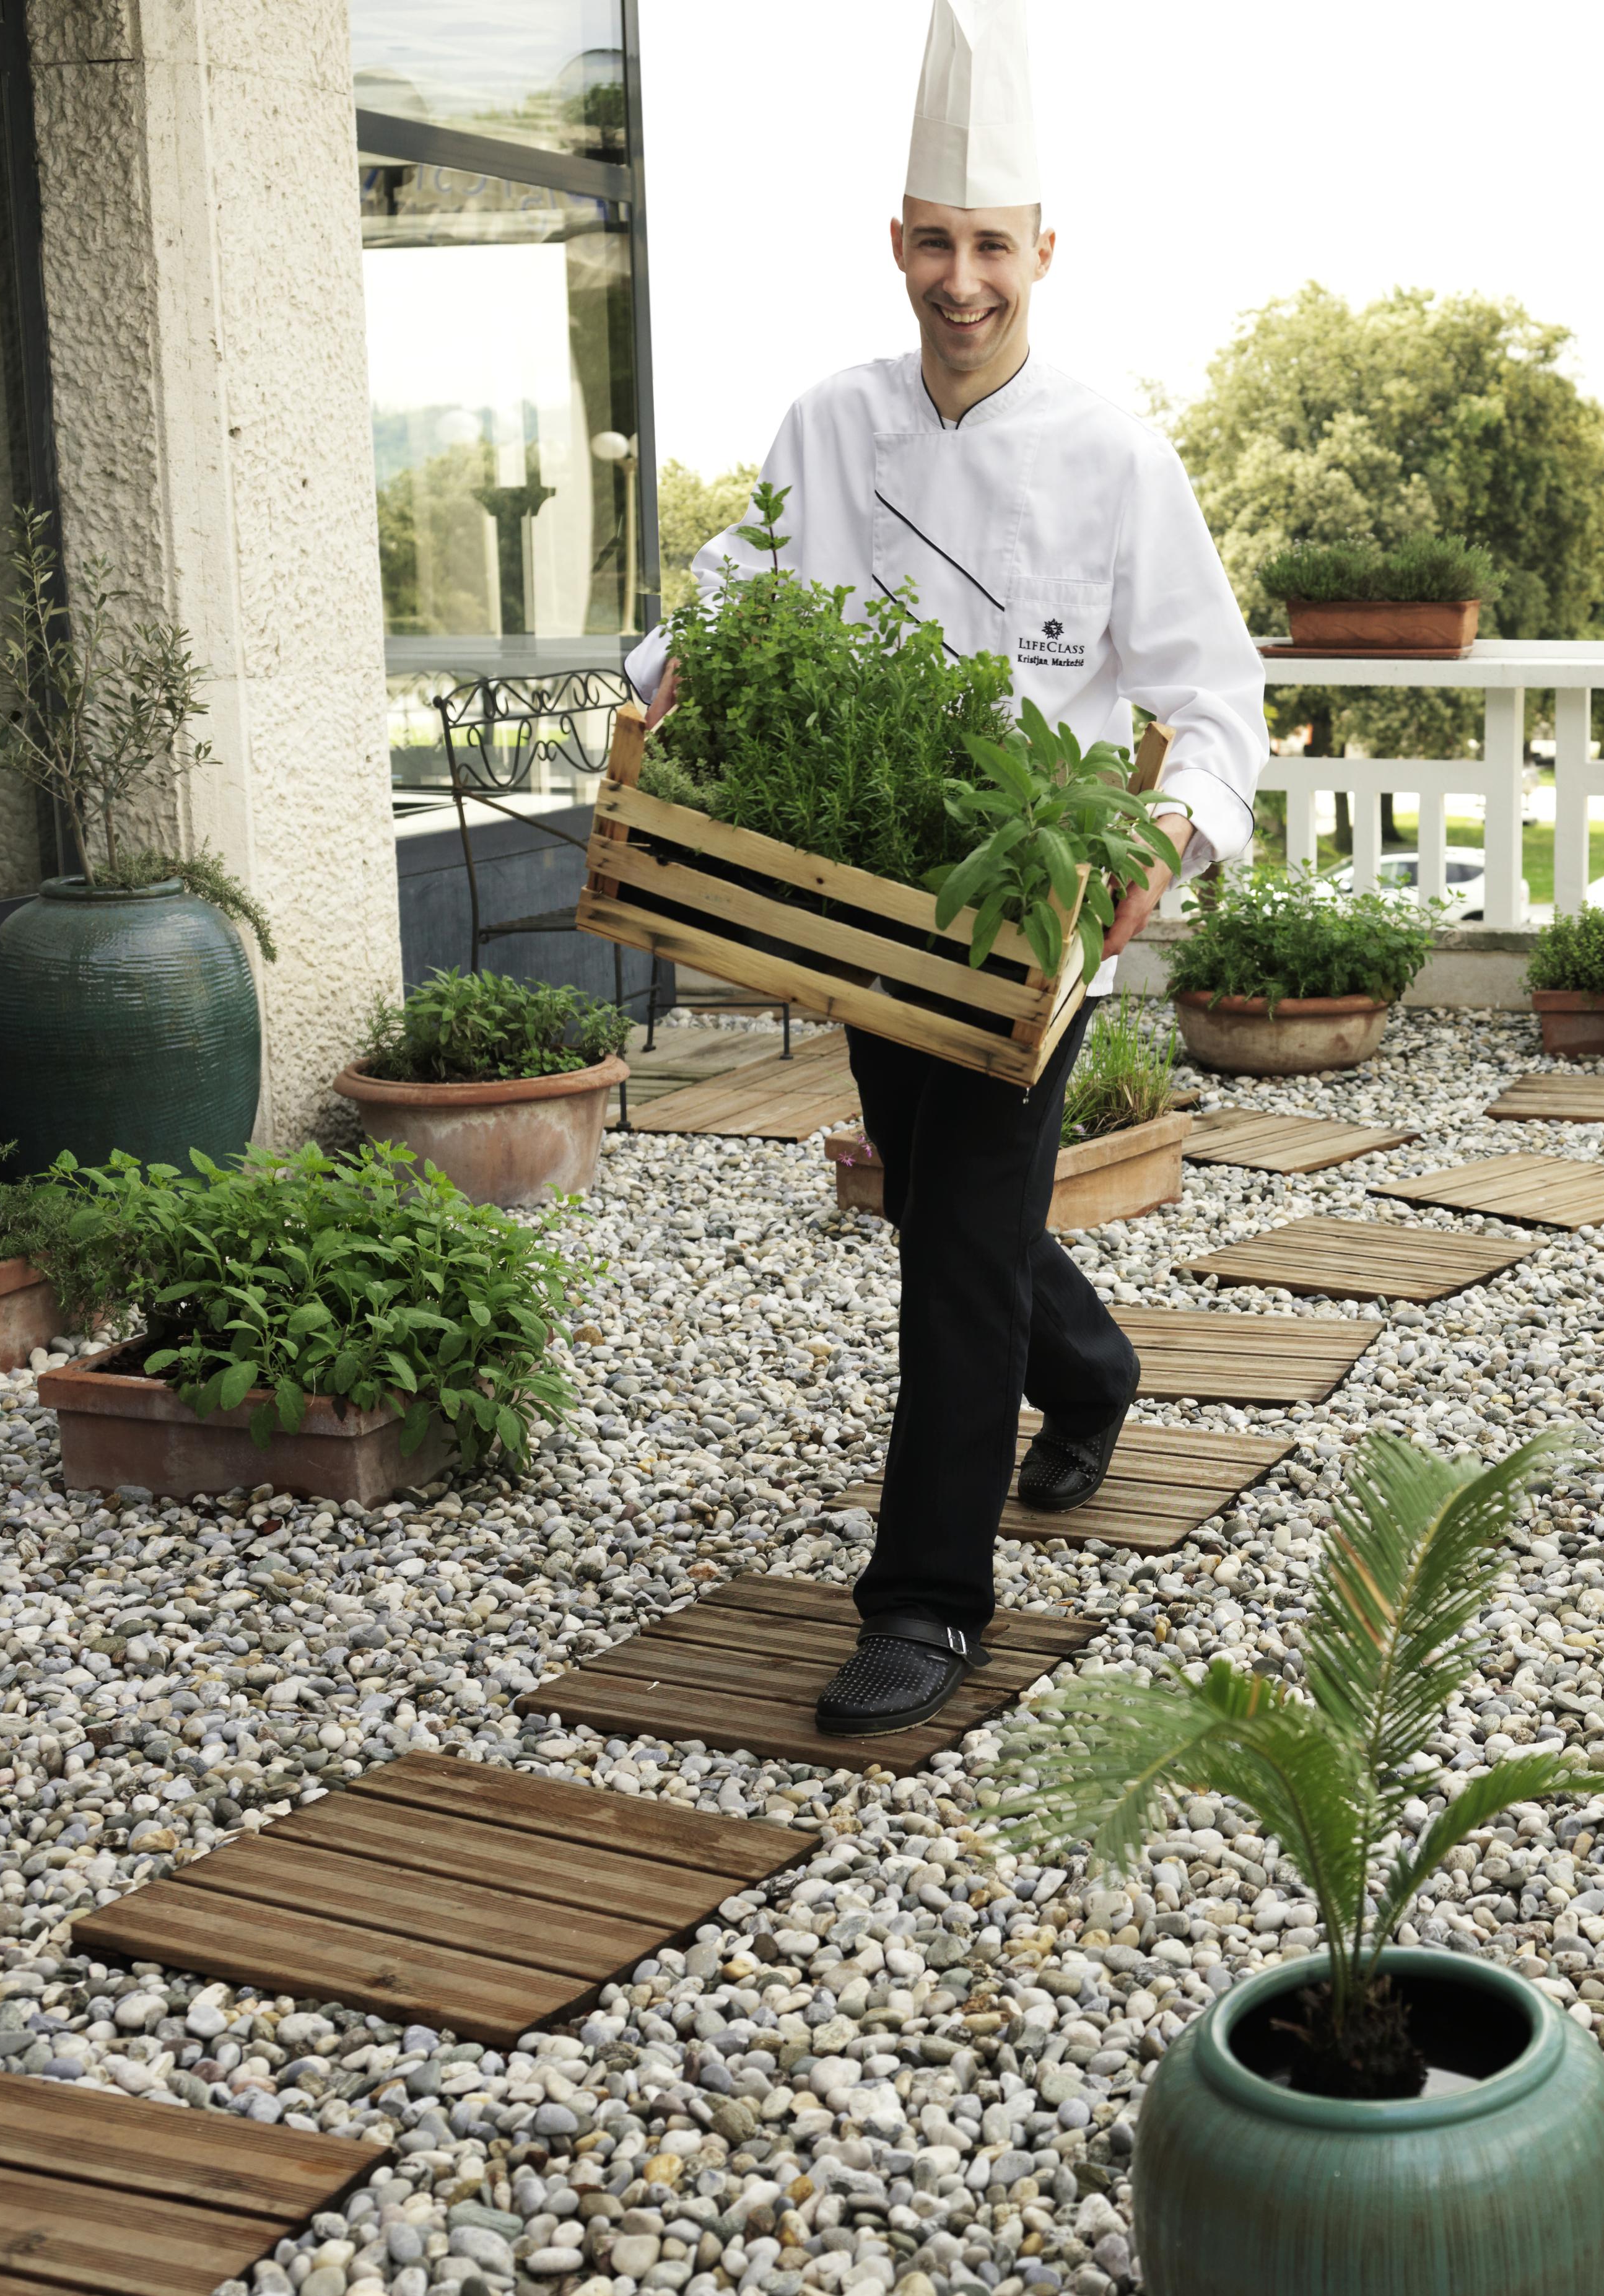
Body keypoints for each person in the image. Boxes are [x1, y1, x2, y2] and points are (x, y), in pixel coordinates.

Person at [625, 0, 1265, 1738]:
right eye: (934, 241)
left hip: (1027, 912)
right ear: (892, 244)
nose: (961, 276)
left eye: (991, 244)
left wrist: (1164, 841)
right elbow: (735, 595)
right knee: (938, 1203)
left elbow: (1219, 707)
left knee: (954, 1232)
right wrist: (664, 672)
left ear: (1044, 251)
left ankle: (926, 1600)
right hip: (867, 899)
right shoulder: (829, 425)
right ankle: (1099, 1367)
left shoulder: (1117, 452)